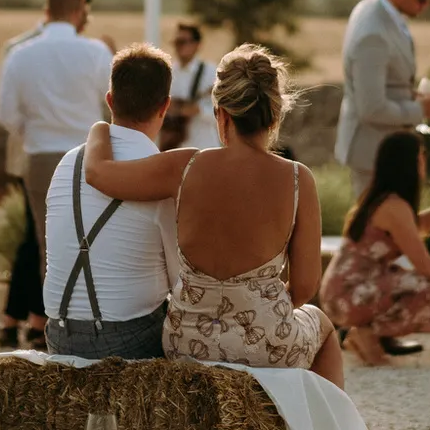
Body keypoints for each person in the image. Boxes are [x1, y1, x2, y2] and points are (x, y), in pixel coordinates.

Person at [83, 44, 342, 387]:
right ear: (275, 115)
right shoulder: (298, 179)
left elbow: (98, 174)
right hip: (266, 342)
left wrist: (99, 129)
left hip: (188, 343)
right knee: (322, 327)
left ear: (220, 113)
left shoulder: (185, 166)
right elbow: (307, 286)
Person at [334, 0, 430, 358]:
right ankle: (362, 329)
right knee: (373, 244)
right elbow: (371, 107)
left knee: (385, 242)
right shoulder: (372, 33)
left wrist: (408, 98)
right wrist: (419, 112)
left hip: (384, 147)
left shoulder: (379, 9)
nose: (426, 5)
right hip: (372, 151)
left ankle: (376, 326)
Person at [42, 43, 180, 359]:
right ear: (165, 106)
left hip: (58, 332)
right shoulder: (159, 170)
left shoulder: (68, 162)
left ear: (109, 100)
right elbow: (178, 279)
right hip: (131, 337)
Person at [320, 130, 430, 365]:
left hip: (345, 292)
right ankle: (367, 333)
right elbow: (422, 262)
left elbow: (410, 229)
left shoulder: (384, 200)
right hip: (350, 293)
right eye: (420, 155)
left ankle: (364, 336)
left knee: (425, 286)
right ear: (408, 163)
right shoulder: (394, 206)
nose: (424, 160)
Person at [0, 0, 113, 315]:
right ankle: (89, 317)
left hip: (42, 155)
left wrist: (34, 132)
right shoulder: (96, 52)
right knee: (93, 239)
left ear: (47, 12)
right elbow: (111, 105)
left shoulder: (21, 54)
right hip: (89, 154)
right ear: (79, 12)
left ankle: (53, 322)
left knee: (48, 245)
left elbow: (5, 113)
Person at [0, 14, 49, 349]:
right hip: (37, 154)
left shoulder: (17, 48)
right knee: (40, 238)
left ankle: (14, 319)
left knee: (32, 238)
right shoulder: (25, 49)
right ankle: (33, 321)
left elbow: (7, 110)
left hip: (27, 155)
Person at [160, 22, 218, 151]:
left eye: (183, 42)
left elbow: (224, 113)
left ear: (197, 45)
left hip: (204, 147)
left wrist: (200, 110)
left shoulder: (211, 72)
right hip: (174, 147)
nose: (179, 46)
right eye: (176, 42)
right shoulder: (168, 73)